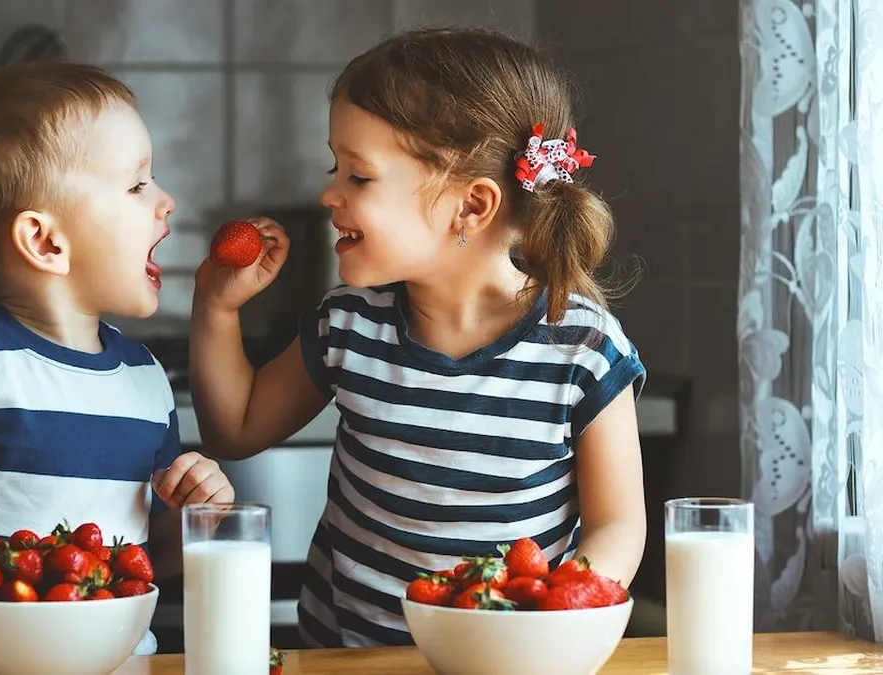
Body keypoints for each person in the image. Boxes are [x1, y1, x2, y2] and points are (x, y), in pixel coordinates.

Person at [189, 27, 647, 647]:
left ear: (471, 206)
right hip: (343, 657)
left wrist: (556, 619)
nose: (329, 193)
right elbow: (234, 428)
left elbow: (619, 525)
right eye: (336, 168)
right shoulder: (348, 325)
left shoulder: (582, 350)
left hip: (502, 659)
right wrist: (217, 308)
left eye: (360, 176)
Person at [0, 62, 234, 662]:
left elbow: (145, 559)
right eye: (137, 185)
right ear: (46, 242)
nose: (166, 202)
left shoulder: (145, 379)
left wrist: (197, 519)